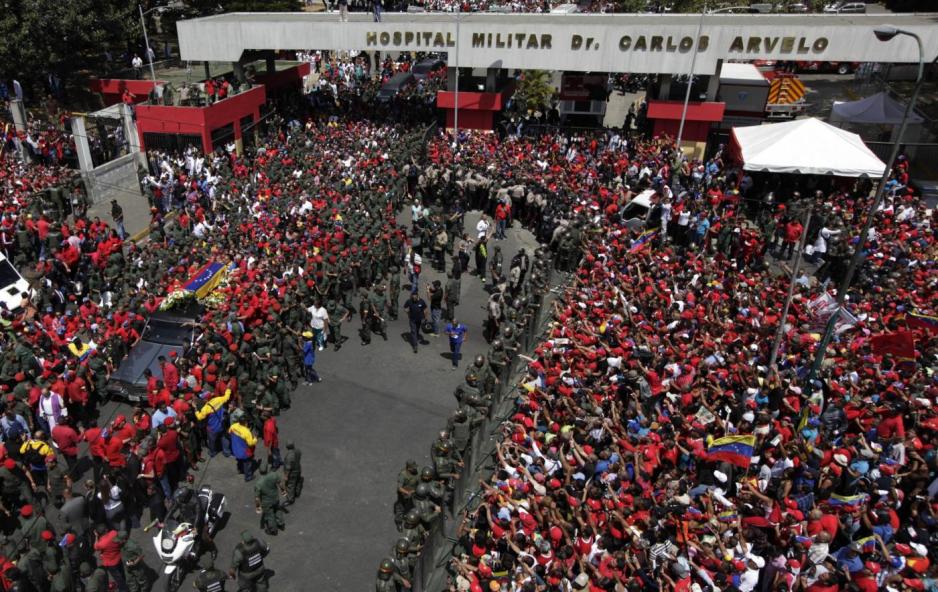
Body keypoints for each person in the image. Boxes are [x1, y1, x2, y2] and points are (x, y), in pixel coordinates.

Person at [253, 461, 285, 536]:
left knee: (270, 516)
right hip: (275, 498)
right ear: (267, 469)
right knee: (277, 510)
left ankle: (273, 530)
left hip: (266, 502)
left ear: (259, 471)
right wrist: (283, 491)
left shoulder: (258, 483)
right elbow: (280, 483)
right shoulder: (274, 475)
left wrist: (258, 507)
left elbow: (257, 498)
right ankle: (281, 523)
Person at [229, 414, 257, 482]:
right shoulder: (247, 432)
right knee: (247, 464)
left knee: (239, 460)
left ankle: (240, 470)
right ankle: (248, 476)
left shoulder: (233, 426)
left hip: (235, 449)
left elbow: (229, 432)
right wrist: (255, 439)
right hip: (244, 452)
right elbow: (250, 443)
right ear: (245, 423)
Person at [282, 442, 302, 506]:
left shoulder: (289, 456)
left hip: (292, 473)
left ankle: (290, 499)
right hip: (298, 469)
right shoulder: (298, 450)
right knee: (297, 482)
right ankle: (297, 493)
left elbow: (288, 468)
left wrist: (286, 476)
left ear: (287, 447)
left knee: (290, 485)